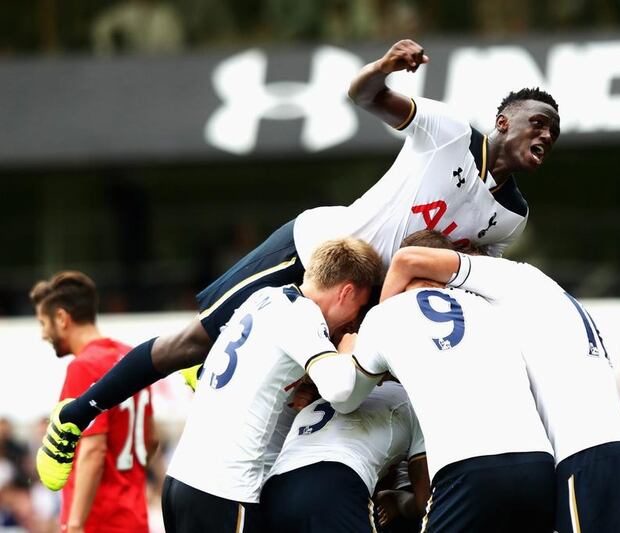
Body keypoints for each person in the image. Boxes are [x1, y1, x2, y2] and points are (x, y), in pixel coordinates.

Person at [37, 37, 561, 490]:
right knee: (191, 342)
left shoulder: (512, 216)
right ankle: (75, 415)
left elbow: (473, 280)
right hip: (318, 251)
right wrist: (383, 68)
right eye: (537, 123)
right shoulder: (449, 132)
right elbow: (363, 96)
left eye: (552, 135)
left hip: (363, 305)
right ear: (501, 122)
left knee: (322, 405)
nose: (544, 137)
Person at [378, 246, 620, 532]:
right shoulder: (543, 295)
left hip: (587, 458)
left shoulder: (507, 278)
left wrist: (384, 327)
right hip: (618, 453)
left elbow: (406, 260)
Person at [161, 238, 383, 533]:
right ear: (347, 292)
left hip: (181, 480)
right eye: (360, 305)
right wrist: (349, 353)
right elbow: (340, 391)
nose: (354, 319)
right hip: (225, 491)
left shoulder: (263, 298)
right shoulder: (302, 315)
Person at [308, 273, 556, 530]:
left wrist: (346, 353)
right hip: (537, 464)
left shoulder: (386, 314)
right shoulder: (486, 307)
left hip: (467, 467)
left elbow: (344, 400)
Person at [30, 271, 157, 533]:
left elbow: (93, 450)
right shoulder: (132, 357)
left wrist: (75, 525)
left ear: (62, 318)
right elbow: (151, 441)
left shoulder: (84, 366)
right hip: (135, 517)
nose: (44, 333)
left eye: (43, 323)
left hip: (99, 521)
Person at [260, 380, 429, 532]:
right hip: (334, 484)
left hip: (273, 491)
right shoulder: (413, 399)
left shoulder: (325, 395)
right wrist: (396, 499)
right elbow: (425, 502)